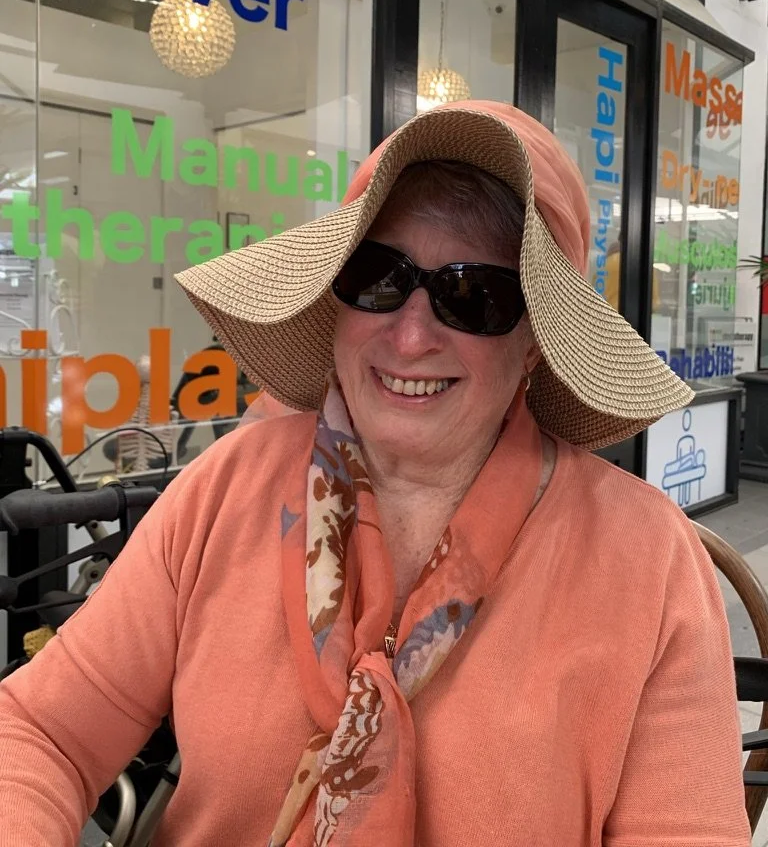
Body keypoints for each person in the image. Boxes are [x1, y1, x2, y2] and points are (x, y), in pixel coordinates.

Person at [0, 101, 750, 846]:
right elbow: (39, 732)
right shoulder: (228, 488)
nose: (413, 333)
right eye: (378, 275)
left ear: (534, 343)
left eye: (472, 295)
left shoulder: (645, 563)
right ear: (337, 297)